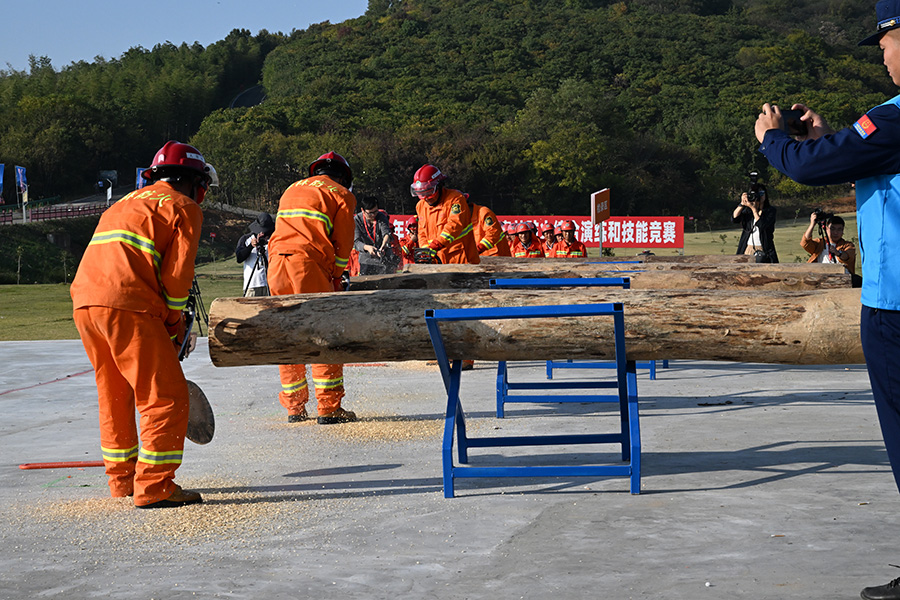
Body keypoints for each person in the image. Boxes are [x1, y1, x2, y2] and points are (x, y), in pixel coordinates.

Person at [754, 3, 900, 596]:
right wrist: (824, 138)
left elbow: (809, 168)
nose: (885, 55)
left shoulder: (893, 120)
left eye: (887, 40)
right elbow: (859, 161)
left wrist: (773, 140)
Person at [70, 141, 216, 509]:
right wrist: (173, 324)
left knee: (115, 392)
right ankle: (154, 487)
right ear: (194, 182)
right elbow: (177, 280)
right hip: (129, 305)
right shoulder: (184, 207)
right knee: (164, 397)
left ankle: (122, 481)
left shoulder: (123, 202)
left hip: (86, 303)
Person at [267, 151, 357, 425]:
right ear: (343, 177)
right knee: (323, 334)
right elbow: (343, 245)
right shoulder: (341, 194)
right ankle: (329, 407)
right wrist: (336, 276)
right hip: (307, 265)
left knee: (288, 334)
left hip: (276, 264)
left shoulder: (291, 189)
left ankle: (295, 407)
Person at [411, 164, 480, 265]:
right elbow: (422, 233)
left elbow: (454, 225)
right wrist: (426, 252)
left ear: (439, 186)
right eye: (422, 193)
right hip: (438, 261)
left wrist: (436, 245)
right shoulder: (420, 206)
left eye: (429, 192)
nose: (426, 198)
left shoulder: (456, 199)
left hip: (461, 259)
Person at [732, 185, 778, 263]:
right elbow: (734, 218)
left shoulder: (770, 211)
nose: (760, 196)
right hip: (748, 247)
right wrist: (742, 204)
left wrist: (754, 209)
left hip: (764, 248)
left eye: (762, 193)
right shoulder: (748, 211)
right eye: (757, 194)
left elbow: (762, 225)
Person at [354, 196, 397, 275]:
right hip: (366, 260)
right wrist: (368, 248)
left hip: (383, 258)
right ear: (362, 210)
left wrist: (384, 245)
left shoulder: (381, 216)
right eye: (370, 213)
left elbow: (386, 233)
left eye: (375, 211)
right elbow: (356, 242)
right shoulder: (356, 220)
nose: (373, 215)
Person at [235, 212, 274, 296]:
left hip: (270, 283)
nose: (263, 234)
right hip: (253, 284)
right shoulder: (246, 239)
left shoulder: (274, 239)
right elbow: (239, 258)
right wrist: (251, 246)